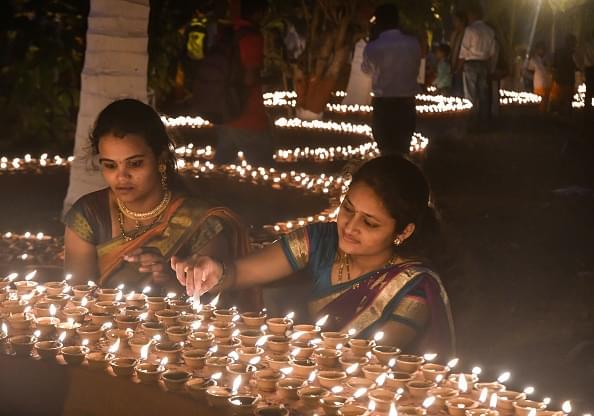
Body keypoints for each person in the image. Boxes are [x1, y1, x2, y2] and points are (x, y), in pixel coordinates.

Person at [173, 155, 456, 355]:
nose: (350, 226)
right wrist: (213, 271)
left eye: (370, 222)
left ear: (403, 232)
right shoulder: (321, 240)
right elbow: (239, 273)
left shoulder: (413, 289)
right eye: (347, 208)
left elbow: (369, 359)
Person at [63, 99, 249, 294]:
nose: (121, 176)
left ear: (160, 158)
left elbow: (210, 308)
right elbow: (76, 298)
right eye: (110, 165)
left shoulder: (199, 221)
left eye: (135, 164)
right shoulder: (88, 215)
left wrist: (169, 280)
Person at [214, 0, 272, 166]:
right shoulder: (251, 36)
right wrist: (268, 79)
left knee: (221, 169)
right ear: (259, 13)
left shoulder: (227, 32)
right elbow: (249, 78)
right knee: (264, 165)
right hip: (246, 112)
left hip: (224, 110)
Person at [362, 4, 421, 156]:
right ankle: (403, 175)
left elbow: (366, 70)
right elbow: (416, 66)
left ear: (379, 22)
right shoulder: (413, 43)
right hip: (406, 101)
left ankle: (387, 175)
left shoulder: (373, 47)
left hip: (383, 102)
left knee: (385, 147)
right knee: (403, 146)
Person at [456, 3, 497, 129]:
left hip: (471, 63)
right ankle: (484, 123)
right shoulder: (490, 31)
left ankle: (471, 123)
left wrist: (458, 67)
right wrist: (490, 68)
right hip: (484, 64)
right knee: (483, 95)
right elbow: (492, 52)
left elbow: (464, 51)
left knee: (470, 95)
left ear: (473, 15)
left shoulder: (470, 30)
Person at [550, 34, 577, 118]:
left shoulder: (558, 51)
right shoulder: (573, 53)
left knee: (560, 98)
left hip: (560, 78)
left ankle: (559, 113)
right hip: (567, 79)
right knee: (566, 99)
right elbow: (576, 66)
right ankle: (566, 114)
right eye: (574, 43)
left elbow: (554, 65)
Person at [527, 41, 552, 113]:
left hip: (547, 81)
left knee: (547, 99)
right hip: (539, 83)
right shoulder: (534, 59)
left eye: (543, 49)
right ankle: (542, 114)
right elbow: (529, 69)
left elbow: (551, 68)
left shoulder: (548, 58)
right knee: (543, 99)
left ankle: (544, 113)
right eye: (540, 49)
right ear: (536, 49)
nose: (541, 50)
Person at [449, 10, 468, 97]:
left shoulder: (467, 33)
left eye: (455, 20)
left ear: (462, 21)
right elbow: (452, 49)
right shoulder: (454, 34)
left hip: (464, 65)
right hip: (454, 64)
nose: (454, 23)